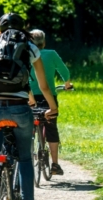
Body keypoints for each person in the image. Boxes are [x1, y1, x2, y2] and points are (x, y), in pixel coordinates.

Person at [0, 13, 57, 200]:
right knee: (24, 158)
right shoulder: (31, 48)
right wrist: (52, 107)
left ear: (0, 27)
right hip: (20, 108)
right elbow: (42, 86)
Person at [28, 29, 72, 175]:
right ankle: (55, 164)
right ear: (44, 42)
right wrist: (67, 83)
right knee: (51, 127)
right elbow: (64, 70)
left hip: (29, 97)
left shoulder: (26, 54)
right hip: (48, 97)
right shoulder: (51, 54)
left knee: (27, 126)